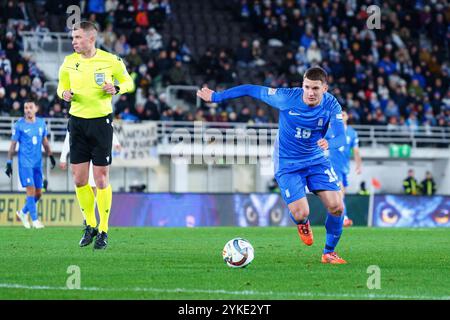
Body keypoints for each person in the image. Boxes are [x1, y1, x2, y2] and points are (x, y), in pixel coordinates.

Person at [197, 66, 348, 264]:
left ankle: (329, 252)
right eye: (307, 87)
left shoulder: (331, 105)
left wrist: (330, 143)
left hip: (316, 159)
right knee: (301, 213)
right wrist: (217, 97)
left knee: (337, 206)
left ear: (325, 88)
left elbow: (341, 137)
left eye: (315, 89)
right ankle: (302, 223)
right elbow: (251, 89)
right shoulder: (286, 97)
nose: (310, 93)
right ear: (302, 85)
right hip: (287, 163)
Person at [57, 21, 134, 249]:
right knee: (79, 179)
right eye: (73, 38)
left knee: (100, 179)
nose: (74, 42)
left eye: (78, 38)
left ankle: (103, 230)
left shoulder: (110, 60)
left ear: (91, 39)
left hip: (101, 123)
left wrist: (117, 88)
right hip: (77, 123)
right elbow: (60, 87)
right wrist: (65, 94)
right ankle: (90, 225)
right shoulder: (69, 62)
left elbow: (128, 81)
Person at [4, 100, 56, 229]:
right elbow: (13, 145)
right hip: (25, 163)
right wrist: (9, 162)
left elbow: (45, 142)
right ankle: (35, 220)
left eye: (30, 107)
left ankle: (22, 212)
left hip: (37, 163)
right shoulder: (19, 125)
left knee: (38, 193)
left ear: (36, 109)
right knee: (31, 190)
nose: (27, 110)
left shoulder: (41, 123)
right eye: (25, 107)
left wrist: (50, 155)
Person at [59, 130, 122, 226]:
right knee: (82, 185)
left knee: (94, 187)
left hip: (95, 154)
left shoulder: (97, 117)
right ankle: (87, 217)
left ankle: (89, 218)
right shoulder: (76, 117)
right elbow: (69, 135)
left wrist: (116, 142)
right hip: (82, 154)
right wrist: (63, 157)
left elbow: (106, 126)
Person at [325, 107, 362, 227]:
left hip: (345, 167)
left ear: (347, 117)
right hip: (333, 166)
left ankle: (334, 217)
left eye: (343, 114)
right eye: (339, 114)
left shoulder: (352, 132)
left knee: (340, 194)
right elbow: (318, 142)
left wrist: (358, 165)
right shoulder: (330, 131)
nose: (341, 116)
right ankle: (343, 218)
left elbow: (356, 151)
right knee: (340, 193)